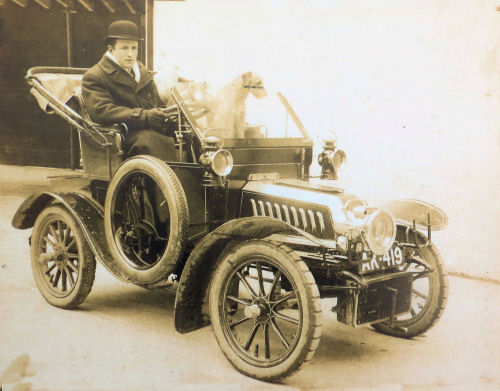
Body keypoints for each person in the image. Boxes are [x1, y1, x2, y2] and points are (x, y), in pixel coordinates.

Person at [82, 20, 178, 161]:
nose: (130, 54)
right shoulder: (95, 76)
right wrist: (143, 116)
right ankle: (166, 181)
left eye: (134, 48)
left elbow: (157, 103)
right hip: (122, 136)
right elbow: (102, 111)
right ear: (110, 49)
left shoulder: (143, 73)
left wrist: (167, 115)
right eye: (124, 48)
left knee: (190, 136)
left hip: (149, 129)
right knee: (152, 141)